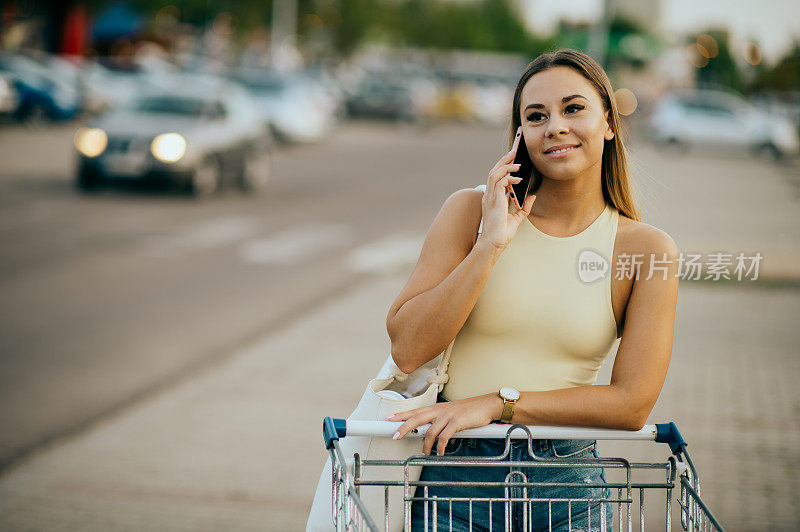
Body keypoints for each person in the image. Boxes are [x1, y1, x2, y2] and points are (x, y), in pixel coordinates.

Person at [384, 48, 680, 531]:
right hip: (455, 479)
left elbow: (632, 404)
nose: (556, 127)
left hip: (569, 492)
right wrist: (490, 246)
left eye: (574, 108)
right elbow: (407, 348)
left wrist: (498, 402)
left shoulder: (646, 249)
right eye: (536, 116)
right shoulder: (469, 213)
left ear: (608, 121)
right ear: (520, 135)